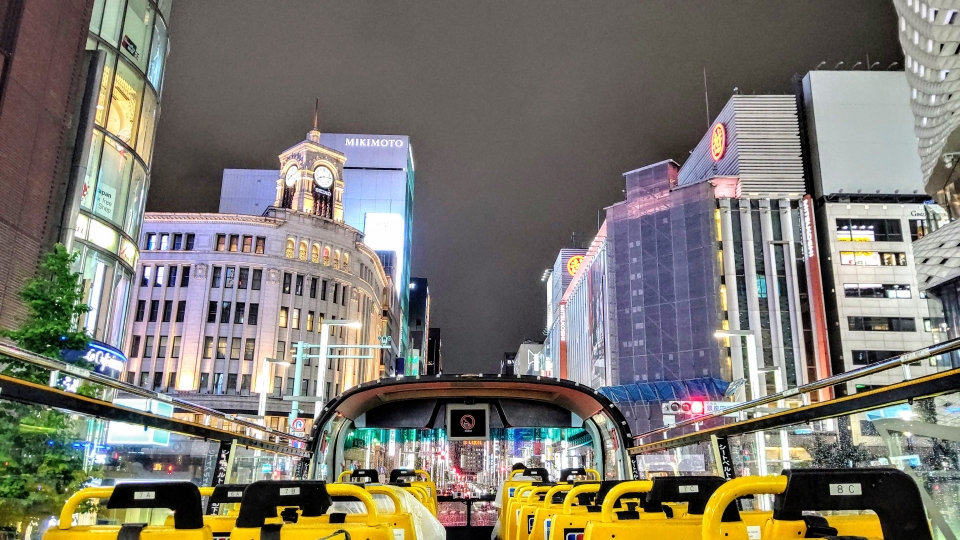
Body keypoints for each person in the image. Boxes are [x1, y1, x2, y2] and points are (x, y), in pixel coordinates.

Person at [491, 463, 535, 540]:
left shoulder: (506, 483)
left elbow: (499, 508)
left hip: (510, 524)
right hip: (532, 523)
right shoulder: (535, 482)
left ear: (513, 471)